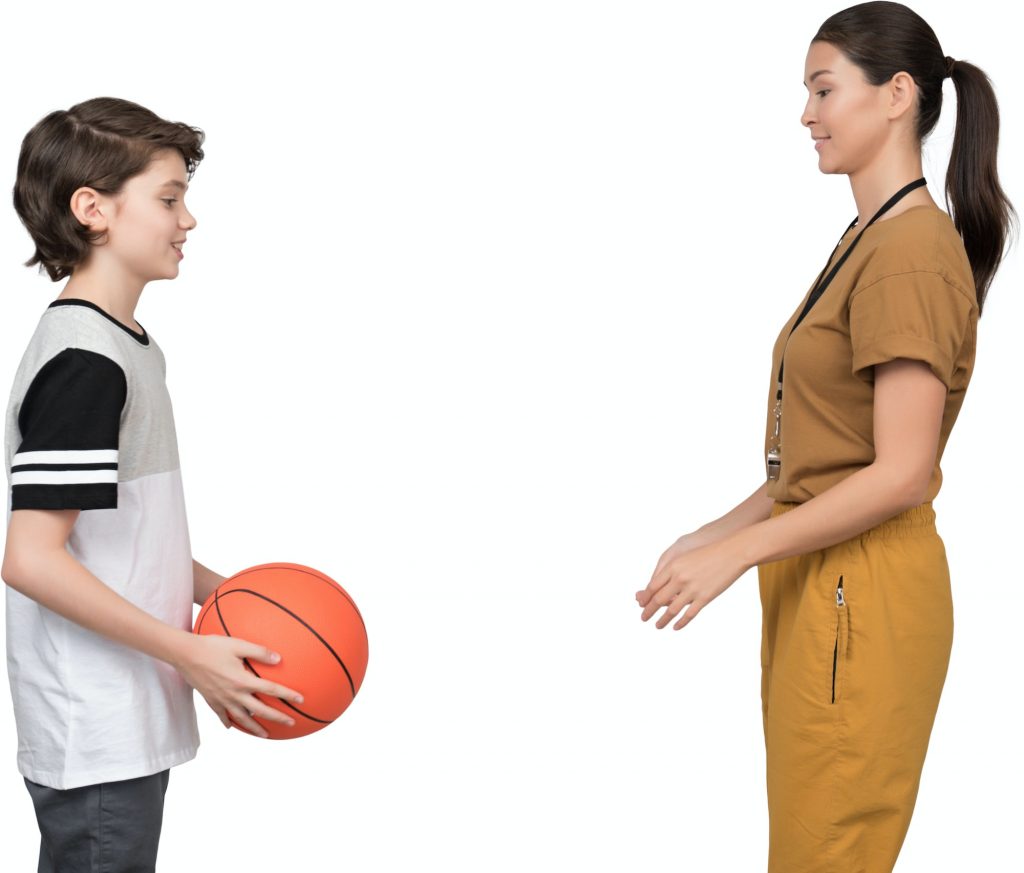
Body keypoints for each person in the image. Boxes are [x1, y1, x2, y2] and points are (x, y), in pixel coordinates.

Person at [634, 2, 1015, 870]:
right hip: (825, 580)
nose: (806, 113)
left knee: (827, 856)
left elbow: (901, 473)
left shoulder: (909, 252)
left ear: (896, 96)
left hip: (863, 587)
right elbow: (832, 452)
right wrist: (720, 531)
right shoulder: (870, 237)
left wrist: (740, 555)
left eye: (823, 88)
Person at [2, 97, 305, 872]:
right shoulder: (84, 360)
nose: (188, 220)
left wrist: (237, 592)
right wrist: (188, 651)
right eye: (169, 198)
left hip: (127, 708)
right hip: (98, 723)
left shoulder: (124, 344)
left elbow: (122, 532)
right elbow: (31, 558)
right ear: (92, 209)